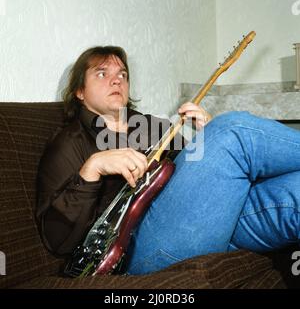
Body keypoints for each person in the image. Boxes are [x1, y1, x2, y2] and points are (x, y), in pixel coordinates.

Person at [36, 45, 300, 276]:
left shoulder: (153, 127)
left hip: (209, 222)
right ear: (80, 91)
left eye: (122, 75)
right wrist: (91, 169)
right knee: (232, 130)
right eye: (102, 73)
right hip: (139, 251)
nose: (116, 81)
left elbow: (194, 180)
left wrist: (209, 142)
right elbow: (57, 240)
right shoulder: (68, 143)